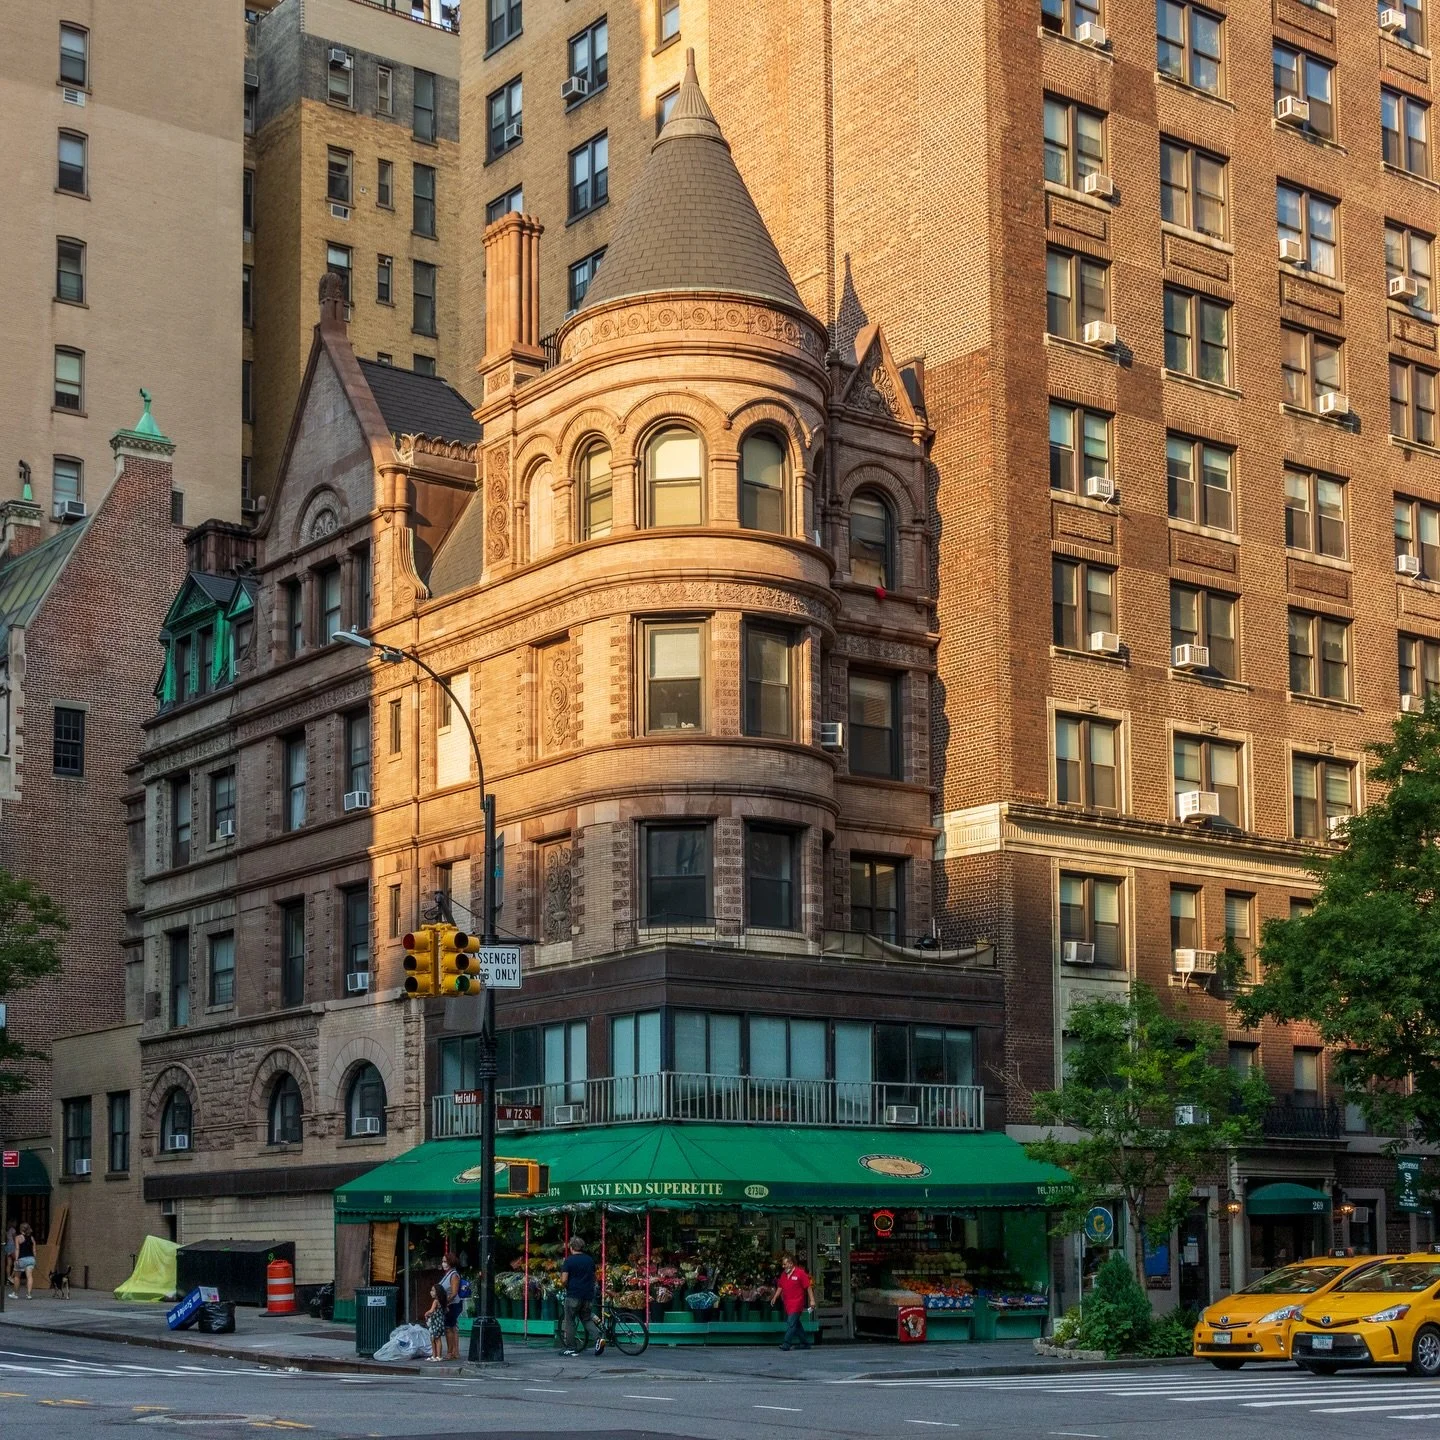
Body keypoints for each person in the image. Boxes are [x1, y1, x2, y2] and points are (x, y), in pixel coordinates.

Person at [560, 1237, 604, 1357]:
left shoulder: (569, 1261)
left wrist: (564, 1285)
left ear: (571, 1247)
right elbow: (594, 1277)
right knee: (586, 1318)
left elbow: (564, 1279)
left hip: (574, 1294)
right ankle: (598, 1339)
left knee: (570, 1321)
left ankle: (571, 1348)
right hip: (588, 1295)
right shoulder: (589, 1260)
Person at [770, 1253, 815, 1351]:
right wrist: (775, 1297)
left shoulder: (800, 1273)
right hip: (788, 1304)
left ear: (790, 1263)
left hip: (797, 1303)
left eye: (785, 1264)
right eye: (783, 1264)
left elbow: (808, 1287)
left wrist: (812, 1300)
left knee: (791, 1323)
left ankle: (786, 1343)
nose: (783, 1266)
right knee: (796, 1324)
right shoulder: (784, 1274)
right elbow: (780, 1287)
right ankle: (805, 1343)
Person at [438, 1250, 462, 1361]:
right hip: (449, 1304)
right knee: (453, 1328)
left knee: (449, 1329)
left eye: (445, 1261)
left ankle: (450, 1352)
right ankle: (454, 1352)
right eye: (443, 1261)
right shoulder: (448, 1274)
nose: (443, 1264)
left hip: (452, 1305)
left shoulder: (454, 1275)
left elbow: (454, 1292)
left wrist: (445, 1302)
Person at [423, 1281, 447, 1362]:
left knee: (436, 1339)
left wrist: (426, 1313)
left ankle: (438, 1356)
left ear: (437, 1292)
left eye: (433, 1290)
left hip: (435, 1323)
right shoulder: (441, 1301)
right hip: (438, 1322)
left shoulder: (436, 1301)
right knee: (434, 1338)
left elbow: (432, 1310)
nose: (431, 1292)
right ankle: (435, 1355)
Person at [10, 1225, 35, 1300]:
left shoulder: (18, 1237)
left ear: (21, 1229)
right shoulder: (32, 1238)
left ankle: (15, 1294)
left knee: (17, 1277)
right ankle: (29, 1294)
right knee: (29, 1276)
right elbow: (34, 1250)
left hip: (21, 1259)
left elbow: (17, 1248)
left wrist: (16, 1259)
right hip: (31, 1259)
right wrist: (34, 1259)